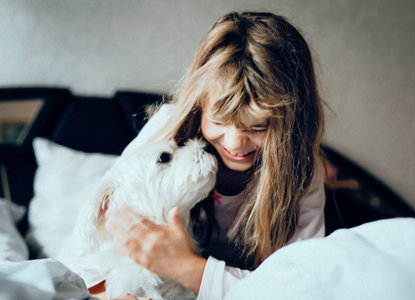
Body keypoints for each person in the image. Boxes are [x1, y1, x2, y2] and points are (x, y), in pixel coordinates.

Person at [101, 11, 326, 300]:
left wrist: (185, 268)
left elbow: (300, 289)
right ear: (199, 105)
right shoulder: (167, 130)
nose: (235, 143)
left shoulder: (304, 172)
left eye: (258, 126)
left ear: (293, 124)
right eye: (219, 120)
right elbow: (96, 240)